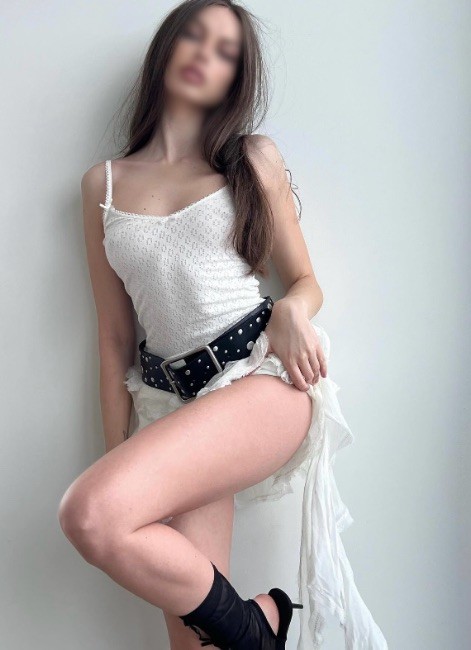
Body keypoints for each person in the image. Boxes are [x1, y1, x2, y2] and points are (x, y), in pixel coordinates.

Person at [58, 1, 388, 648]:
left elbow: (305, 281)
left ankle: (259, 627)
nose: (204, 55)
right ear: (168, 47)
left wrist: (291, 310)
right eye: (194, 36)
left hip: (261, 378)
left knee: (89, 514)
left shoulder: (250, 158)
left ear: (235, 77)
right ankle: (256, 628)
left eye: (225, 51)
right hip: (171, 401)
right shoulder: (102, 185)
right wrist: (121, 452)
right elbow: (114, 338)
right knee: (193, 642)